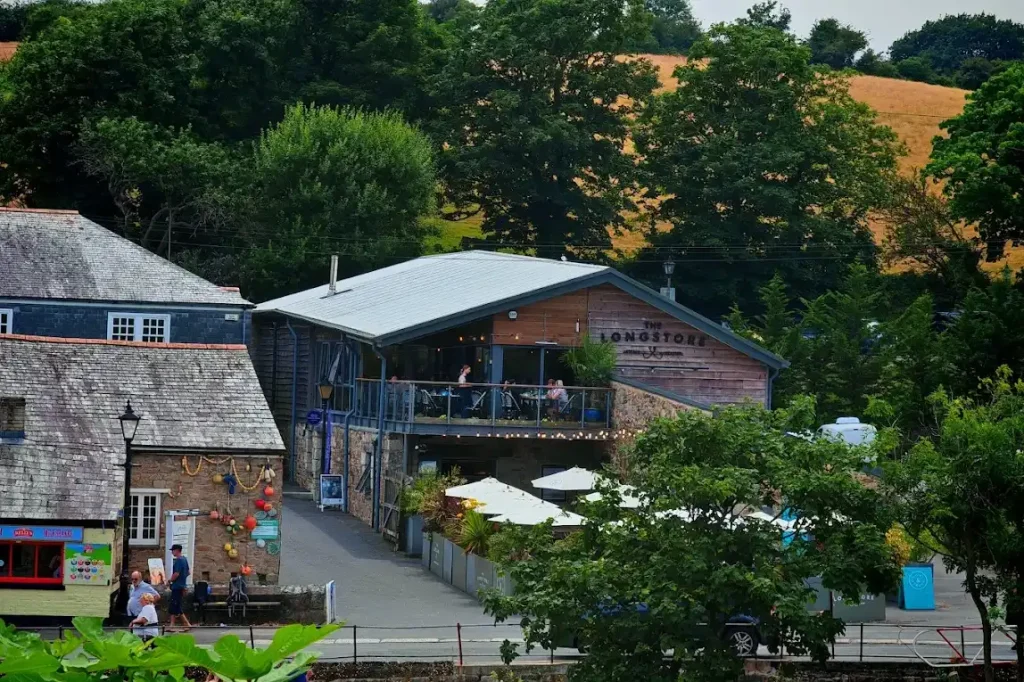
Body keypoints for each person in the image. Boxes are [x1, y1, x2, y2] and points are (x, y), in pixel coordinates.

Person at [168, 544, 192, 631]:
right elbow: (188, 572)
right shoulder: (184, 559)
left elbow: (176, 574)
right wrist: (183, 580)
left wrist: (170, 580)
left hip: (177, 587)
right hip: (181, 586)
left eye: (173, 550)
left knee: (175, 606)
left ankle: (187, 624)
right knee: (174, 605)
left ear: (177, 550)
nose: (172, 552)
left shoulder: (179, 560)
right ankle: (172, 625)